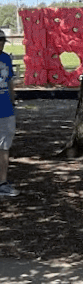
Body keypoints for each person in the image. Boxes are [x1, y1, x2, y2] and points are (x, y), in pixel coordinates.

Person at [0, 30, 18, 197]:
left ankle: (2, 182)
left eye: (2, 41)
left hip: (5, 110)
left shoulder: (6, 58)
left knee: (4, 147)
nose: (1, 43)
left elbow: (10, 81)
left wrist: (13, 101)